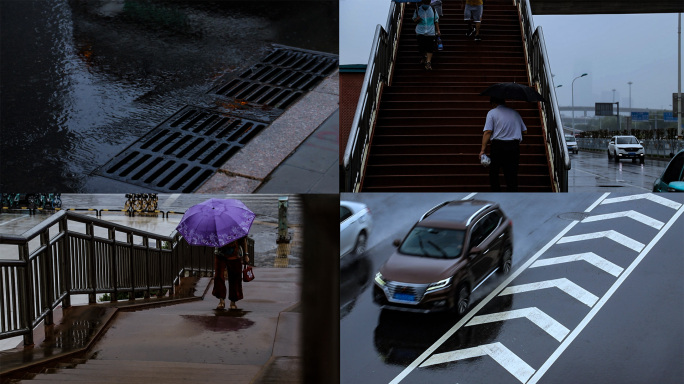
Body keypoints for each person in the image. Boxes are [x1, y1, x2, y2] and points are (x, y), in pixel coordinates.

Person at [479, 97, 527, 192]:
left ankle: (496, 193)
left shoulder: (492, 113)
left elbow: (488, 131)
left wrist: (482, 150)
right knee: (512, 173)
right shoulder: (515, 113)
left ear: (494, 103)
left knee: (494, 172)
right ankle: (512, 194)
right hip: (513, 146)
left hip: (498, 146)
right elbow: (524, 131)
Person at [212, 236, 249, 310]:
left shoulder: (237, 226)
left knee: (235, 277)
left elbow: (243, 239)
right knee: (218, 276)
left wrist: (246, 254)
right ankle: (221, 300)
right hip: (220, 253)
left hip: (235, 254)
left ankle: (233, 301)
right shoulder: (217, 226)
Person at [413, 0, 441, 70]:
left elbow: (436, 20)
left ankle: (428, 62)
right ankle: (424, 57)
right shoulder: (418, 9)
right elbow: (414, 20)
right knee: (421, 47)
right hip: (420, 32)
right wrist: (417, 19)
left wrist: (438, 30)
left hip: (430, 32)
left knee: (430, 47)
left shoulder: (433, 9)